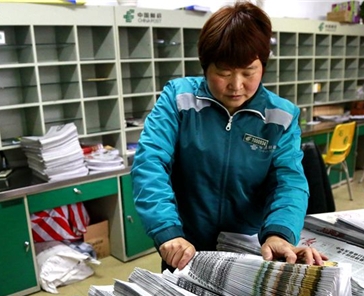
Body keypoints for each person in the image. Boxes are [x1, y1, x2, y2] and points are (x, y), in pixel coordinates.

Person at [131, 2, 327, 271]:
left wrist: (279, 233)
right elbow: (150, 162)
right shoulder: (179, 98)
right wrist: (167, 231)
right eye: (223, 72)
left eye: (248, 72)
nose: (236, 85)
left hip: (250, 252)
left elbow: (289, 181)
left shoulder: (280, 116)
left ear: (263, 66)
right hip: (185, 247)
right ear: (205, 66)